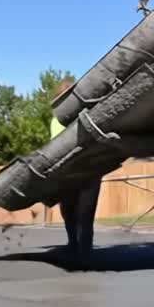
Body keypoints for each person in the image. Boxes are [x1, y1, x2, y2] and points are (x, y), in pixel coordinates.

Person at [50, 114, 102, 269]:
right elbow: (56, 145)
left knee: (84, 213)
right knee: (68, 210)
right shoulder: (57, 121)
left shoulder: (89, 117)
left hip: (89, 170)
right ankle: (73, 244)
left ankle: (85, 252)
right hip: (68, 172)